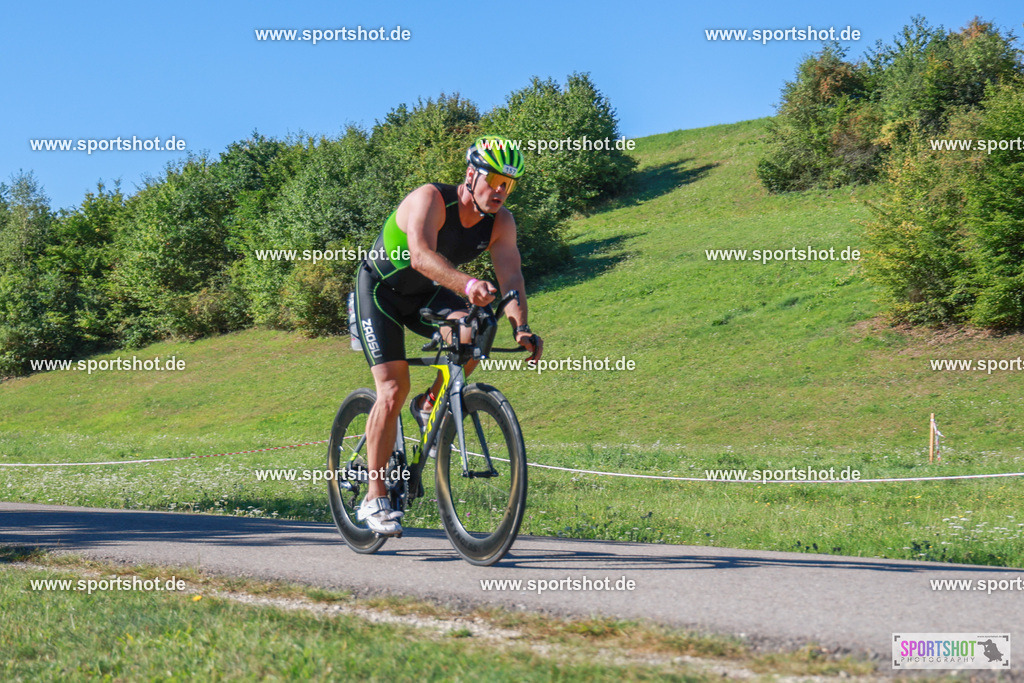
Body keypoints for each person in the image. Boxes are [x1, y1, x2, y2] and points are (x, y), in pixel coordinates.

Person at [352, 135, 544, 535]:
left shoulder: (501, 222)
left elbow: (511, 275)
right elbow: (420, 256)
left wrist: (520, 325)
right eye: (494, 180)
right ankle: (374, 494)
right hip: (381, 290)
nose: (500, 191)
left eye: (509, 185)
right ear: (472, 174)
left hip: (426, 293)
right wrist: (468, 282)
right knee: (392, 388)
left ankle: (430, 404)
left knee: (478, 328)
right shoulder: (431, 199)